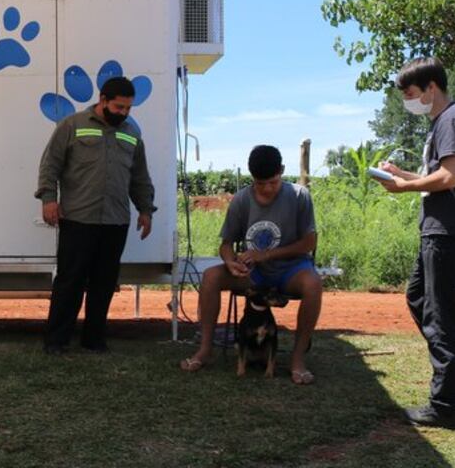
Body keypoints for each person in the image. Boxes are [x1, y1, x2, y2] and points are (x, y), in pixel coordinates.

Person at [375, 57, 455, 427]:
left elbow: (450, 177)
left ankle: (443, 406)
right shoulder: (448, 119)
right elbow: (437, 174)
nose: (408, 101)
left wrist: (404, 186)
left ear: (431, 88)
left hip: (447, 228)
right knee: (419, 297)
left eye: (410, 94)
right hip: (443, 226)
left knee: (440, 314)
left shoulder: (451, 119)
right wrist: (401, 175)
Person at [180, 145, 321, 384]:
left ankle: (297, 360)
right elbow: (226, 245)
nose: (266, 189)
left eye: (273, 183)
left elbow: (309, 242)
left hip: (291, 270)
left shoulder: (299, 196)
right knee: (212, 276)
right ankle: (205, 350)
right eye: (260, 183)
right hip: (253, 274)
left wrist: (266, 255)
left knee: (313, 284)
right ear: (252, 178)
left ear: (282, 172)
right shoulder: (242, 200)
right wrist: (231, 262)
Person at [35, 76, 156, 354]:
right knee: (70, 281)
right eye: (119, 107)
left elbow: (139, 177)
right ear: (103, 100)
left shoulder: (131, 135)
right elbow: (50, 164)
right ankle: (56, 340)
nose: (124, 113)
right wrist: (49, 199)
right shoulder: (72, 125)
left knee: (104, 283)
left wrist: (146, 210)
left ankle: (94, 339)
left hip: (116, 221)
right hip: (78, 218)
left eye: (128, 108)